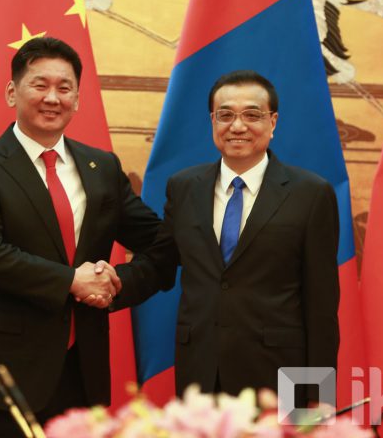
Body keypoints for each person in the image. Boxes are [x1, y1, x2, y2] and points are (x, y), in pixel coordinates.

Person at [0, 37, 160, 437]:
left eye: (65, 88)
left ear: (77, 99)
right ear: (12, 92)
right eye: (39, 85)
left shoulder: (101, 167)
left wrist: (116, 285)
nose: (52, 98)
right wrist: (72, 281)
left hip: (80, 375)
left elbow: (159, 243)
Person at [116, 70, 340, 405]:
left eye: (252, 115)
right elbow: (160, 264)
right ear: (212, 121)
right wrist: (110, 284)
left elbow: (321, 306)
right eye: (225, 115)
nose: (237, 126)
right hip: (201, 373)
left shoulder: (310, 194)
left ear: (273, 122)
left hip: (278, 377)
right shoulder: (184, 187)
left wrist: (317, 402)